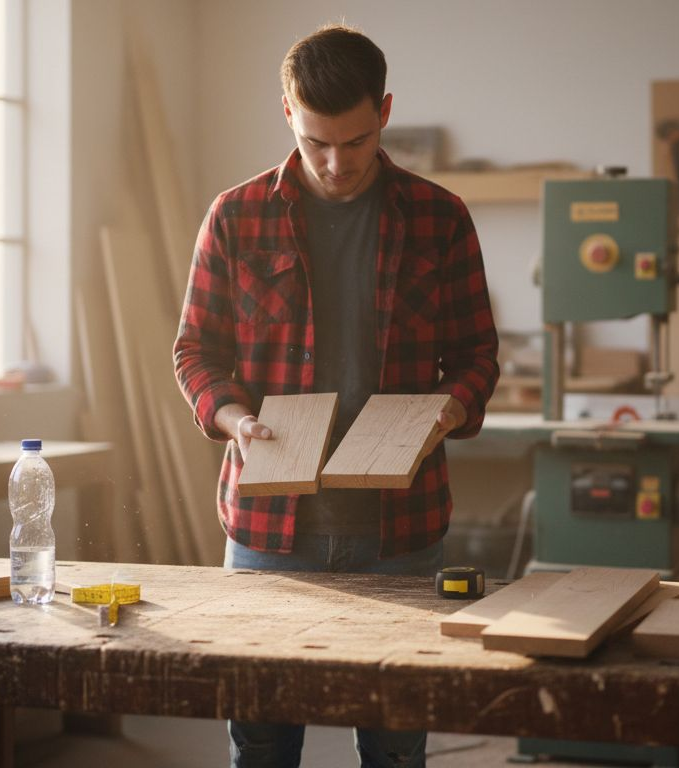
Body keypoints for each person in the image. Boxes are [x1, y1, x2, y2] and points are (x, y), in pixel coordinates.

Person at [173, 23, 499, 768]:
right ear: (287, 111)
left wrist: (449, 408)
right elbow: (195, 351)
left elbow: (478, 353)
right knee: (260, 742)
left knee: (394, 744)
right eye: (318, 140)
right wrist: (235, 418)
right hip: (266, 530)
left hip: (401, 530)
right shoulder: (235, 215)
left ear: (384, 111)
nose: (335, 162)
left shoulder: (440, 218)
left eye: (354, 142)